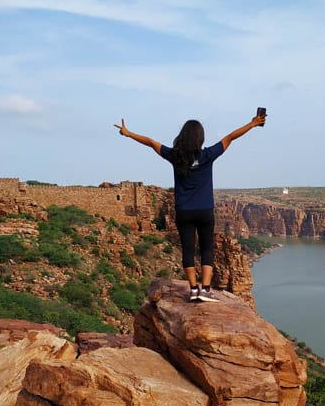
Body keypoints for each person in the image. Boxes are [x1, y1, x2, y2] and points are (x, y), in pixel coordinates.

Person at [114, 113, 266, 302]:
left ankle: (193, 289)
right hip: (205, 210)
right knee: (207, 249)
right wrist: (252, 124)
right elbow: (230, 137)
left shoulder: (175, 156)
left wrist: (128, 133)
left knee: (187, 250)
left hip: (184, 211)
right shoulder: (207, 155)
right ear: (200, 138)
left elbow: (151, 142)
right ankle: (206, 289)